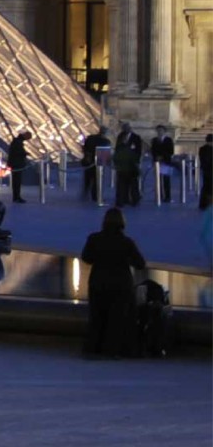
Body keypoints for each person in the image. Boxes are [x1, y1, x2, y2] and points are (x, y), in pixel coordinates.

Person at [80, 208, 146, 359]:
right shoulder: (127, 242)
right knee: (117, 319)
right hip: (121, 286)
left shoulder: (94, 238)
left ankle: (93, 348)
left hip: (98, 283)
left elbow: (86, 258)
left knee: (97, 318)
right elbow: (140, 263)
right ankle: (114, 349)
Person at [112, 124, 142, 210]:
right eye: (124, 129)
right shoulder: (120, 136)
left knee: (132, 184)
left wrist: (136, 161)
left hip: (131, 166)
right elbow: (117, 149)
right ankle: (122, 200)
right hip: (123, 166)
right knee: (121, 184)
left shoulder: (136, 137)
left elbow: (139, 150)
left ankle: (134, 199)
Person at [80, 127, 107, 204]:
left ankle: (86, 193)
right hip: (98, 162)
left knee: (87, 179)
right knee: (96, 180)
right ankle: (95, 196)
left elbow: (84, 148)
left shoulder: (90, 138)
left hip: (89, 162)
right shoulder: (105, 141)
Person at [151, 126, 176, 204]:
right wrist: (156, 157)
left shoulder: (168, 140)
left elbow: (171, 151)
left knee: (166, 180)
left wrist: (163, 156)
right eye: (158, 130)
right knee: (158, 180)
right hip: (157, 162)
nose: (159, 132)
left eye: (161, 130)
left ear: (164, 131)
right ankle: (159, 195)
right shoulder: (154, 140)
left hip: (166, 162)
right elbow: (153, 150)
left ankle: (168, 196)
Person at [5, 132, 31, 205]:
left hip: (15, 164)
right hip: (17, 164)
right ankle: (17, 197)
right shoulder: (18, 142)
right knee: (17, 182)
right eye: (28, 137)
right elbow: (17, 153)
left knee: (16, 182)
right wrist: (25, 153)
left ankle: (16, 197)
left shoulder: (16, 141)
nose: (28, 139)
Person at [200, 133, 213, 212]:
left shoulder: (202, 149)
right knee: (208, 187)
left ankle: (205, 203)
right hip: (209, 170)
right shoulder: (206, 149)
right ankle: (207, 203)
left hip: (206, 170)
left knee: (206, 187)